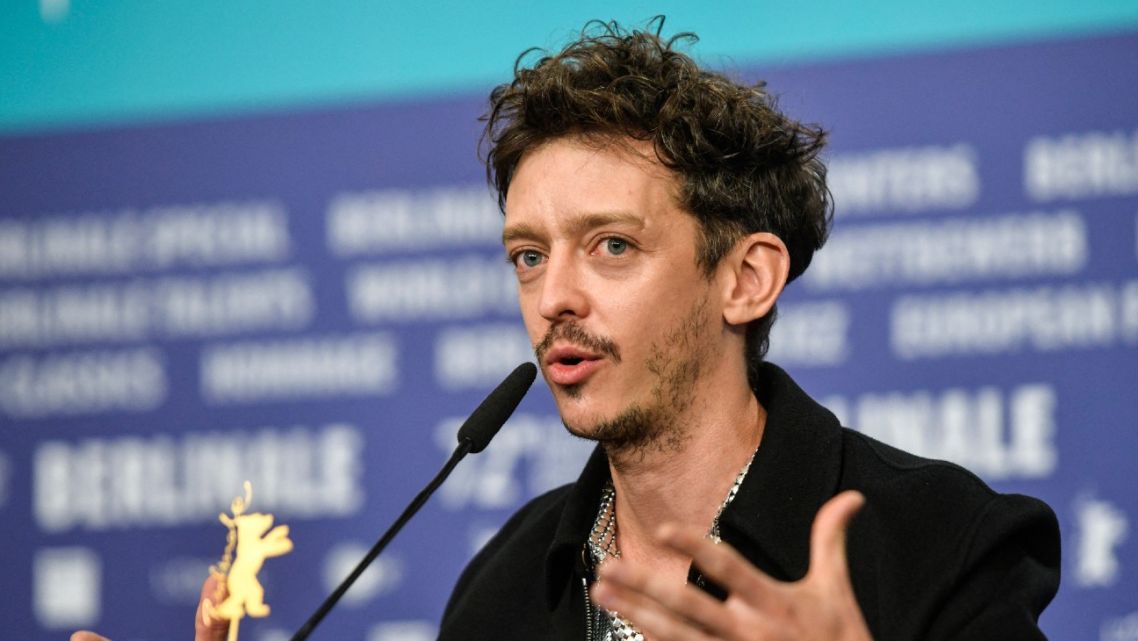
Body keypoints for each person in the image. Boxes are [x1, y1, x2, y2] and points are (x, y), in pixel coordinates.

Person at [74, 18, 1060, 641]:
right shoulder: (502, 590)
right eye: (528, 254)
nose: (554, 297)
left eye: (613, 246)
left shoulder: (938, 542)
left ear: (746, 276)